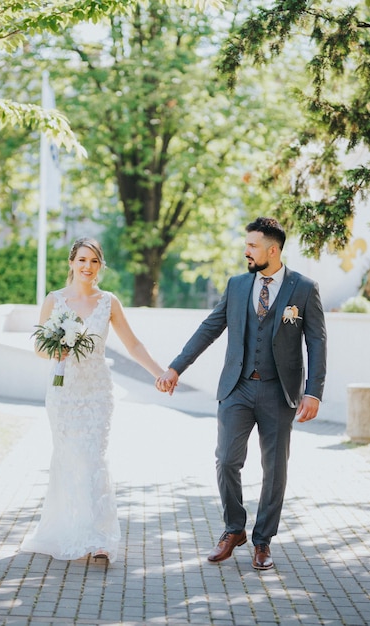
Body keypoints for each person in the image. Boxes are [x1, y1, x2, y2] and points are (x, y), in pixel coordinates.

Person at [156, 217, 327, 570]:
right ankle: (234, 529)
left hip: (280, 392)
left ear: (272, 249)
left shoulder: (304, 288)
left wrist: (314, 392)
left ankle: (263, 541)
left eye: (252, 245)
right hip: (237, 387)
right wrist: (175, 368)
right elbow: (210, 329)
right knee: (226, 460)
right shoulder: (236, 285)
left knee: (274, 469)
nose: (245, 251)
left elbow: (317, 342)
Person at [21, 237, 165, 563]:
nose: (87, 266)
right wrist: (55, 348)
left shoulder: (108, 302)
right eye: (82, 260)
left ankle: (99, 538)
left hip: (97, 393)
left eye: (94, 261)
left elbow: (134, 345)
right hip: (63, 393)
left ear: (100, 266)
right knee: (71, 460)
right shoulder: (54, 300)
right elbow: (38, 347)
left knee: (92, 460)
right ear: (71, 263)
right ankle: (73, 529)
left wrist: (160, 373)